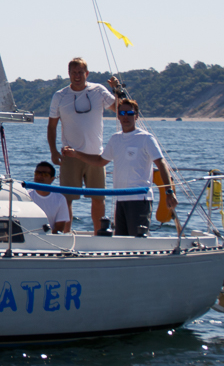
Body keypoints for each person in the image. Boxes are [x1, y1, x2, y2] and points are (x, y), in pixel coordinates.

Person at [62, 98, 176, 237]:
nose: (126, 116)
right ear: (118, 116)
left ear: (136, 115)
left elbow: (161, 163)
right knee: (121, 240)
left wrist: (168, 192)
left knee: (136, 240)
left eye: (129, 113)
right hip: (120, 199)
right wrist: (76, 154)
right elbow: (100, 161)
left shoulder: (146, 138)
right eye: (122, 113)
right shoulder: (115, 139)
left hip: (139, 199)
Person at [48, 57, 118, 234]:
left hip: (96, 156)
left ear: (87, 74)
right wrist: (53, 151)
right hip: (70, 155)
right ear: (69, 74)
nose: (77, 76)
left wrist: (117, 89)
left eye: (80, 72)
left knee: (98, 198)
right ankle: (65, 235)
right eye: (74, 73)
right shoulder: (59, 96)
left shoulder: (99, 91)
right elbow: (52, 125)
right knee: (67, 199)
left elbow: (119, 108)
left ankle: (98, 234)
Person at [27, 161, 71, 233]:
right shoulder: (25, 195)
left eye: (44, 174)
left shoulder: (60, 199)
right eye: (37, 173)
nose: (39, 176)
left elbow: (59, 228)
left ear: (52, 179)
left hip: (50, 239)